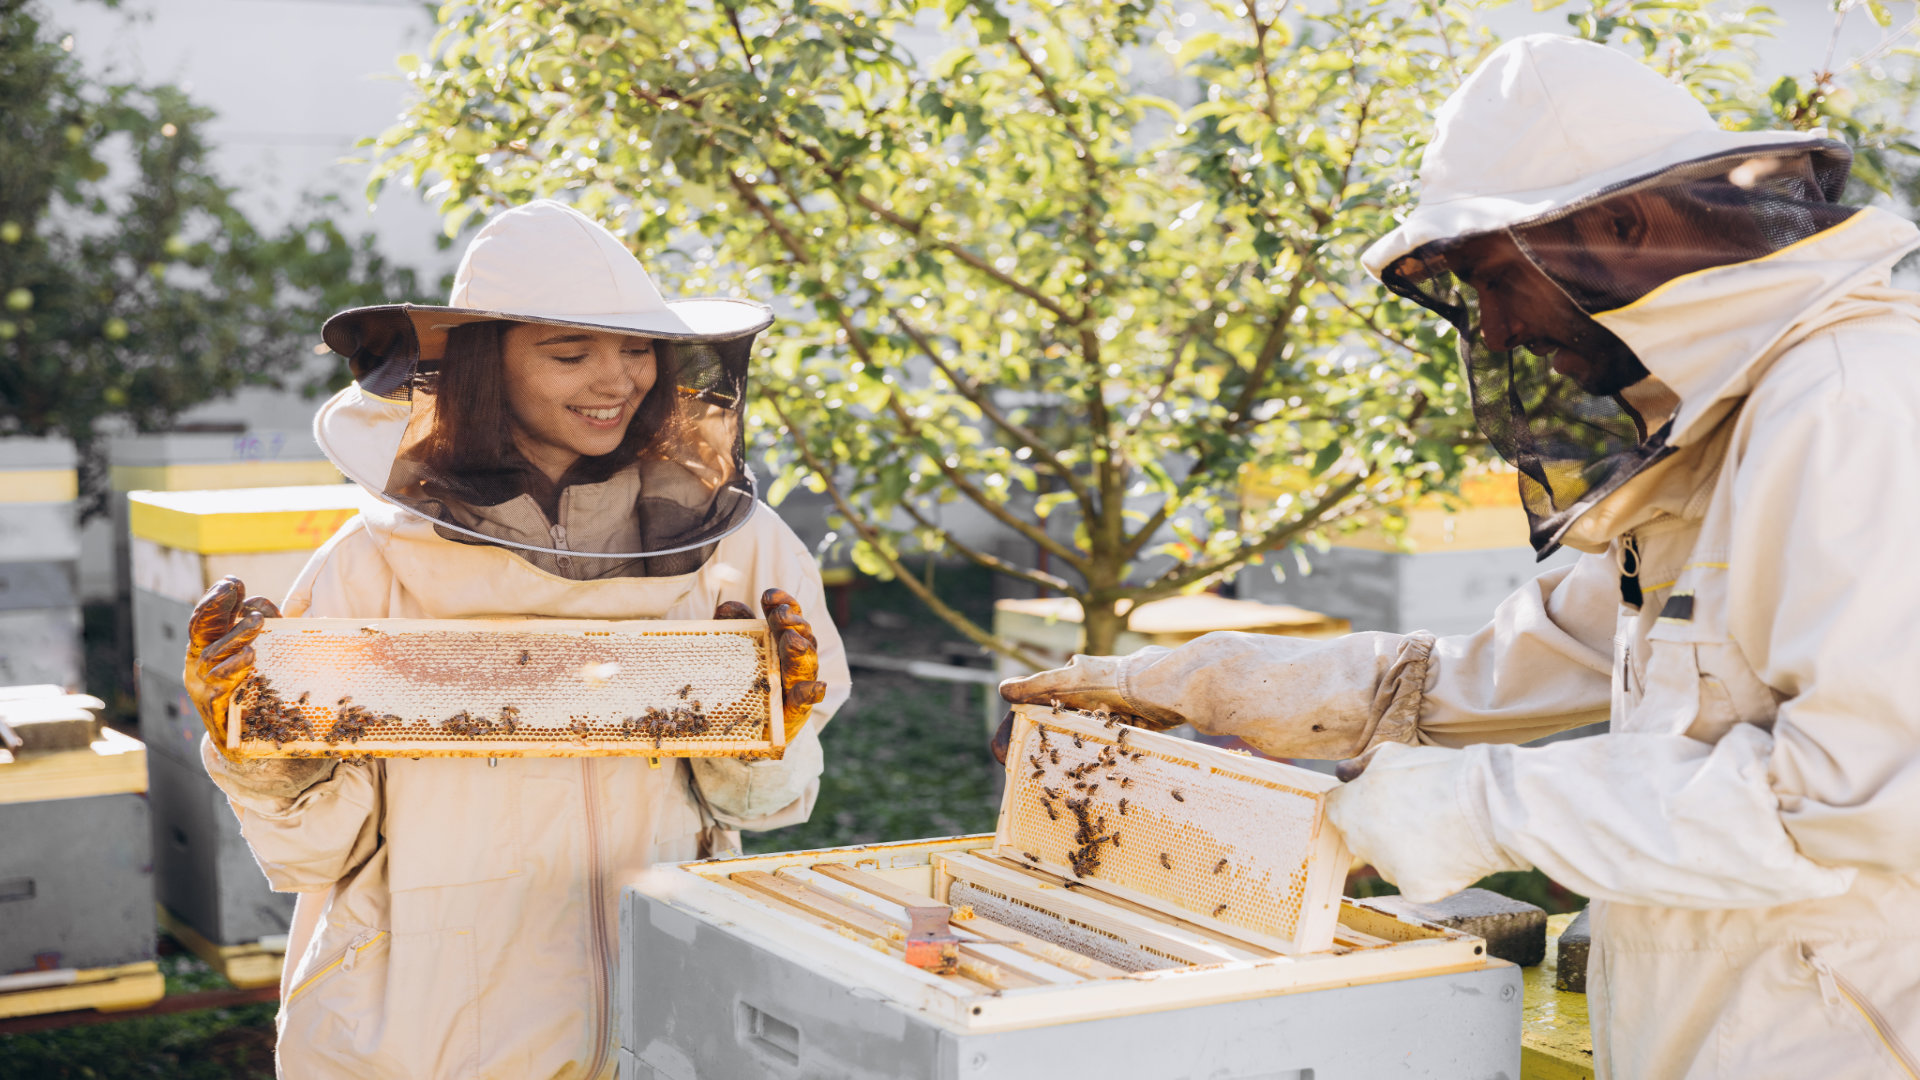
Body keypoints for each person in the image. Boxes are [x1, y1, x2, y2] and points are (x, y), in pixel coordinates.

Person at [1002, 35, 1920, 1079]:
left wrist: (1478, 807)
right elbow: (1496, 670)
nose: (1491, 326)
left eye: (1493, 278)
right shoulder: (1729, 430)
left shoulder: (1854, 409)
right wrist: (1190, 684)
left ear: (1617, 227)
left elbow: (1862, 798)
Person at [181, 200, 850, 1079]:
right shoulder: (369, 564)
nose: (617, 382)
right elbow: (318, 853)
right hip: (427, 1032)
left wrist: (768, 727)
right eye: (570, 354)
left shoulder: (742, 547)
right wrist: (265, 753)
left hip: (658, 1017)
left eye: (637, 349)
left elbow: (760, 811)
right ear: (484, 368)